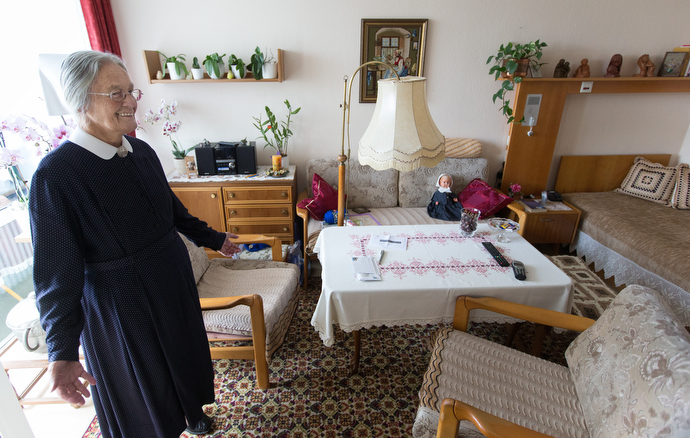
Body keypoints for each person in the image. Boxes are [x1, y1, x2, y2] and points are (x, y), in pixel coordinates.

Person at [29, 50, 242, 437]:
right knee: (143, 389)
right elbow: (56, 274)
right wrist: (60, 352)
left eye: (131, 92)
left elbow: (171, 211)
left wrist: (213, 239)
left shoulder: (141, 150)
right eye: (116, 94)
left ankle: (191, 412)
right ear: (80, 102)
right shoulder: (55, 175)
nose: (129, 102)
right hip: (122, 303)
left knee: (182, 359)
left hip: (171, 282)